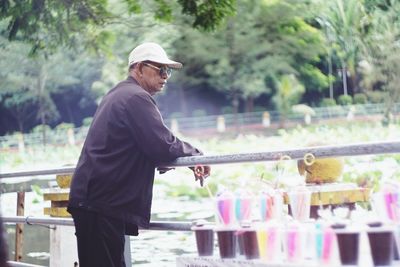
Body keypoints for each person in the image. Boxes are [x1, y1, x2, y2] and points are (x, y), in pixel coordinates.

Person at [67, 42, 210, 267]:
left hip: (97, 201)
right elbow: (161, 143)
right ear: (140, 68)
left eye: (168, 71)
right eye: (160, 69)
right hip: (99, 203)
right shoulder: (135, 97)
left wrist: (183, 161)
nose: (165, 76)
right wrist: (195, 157)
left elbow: (146, 145)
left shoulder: (120, 93)